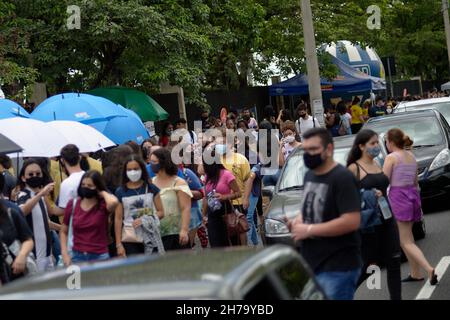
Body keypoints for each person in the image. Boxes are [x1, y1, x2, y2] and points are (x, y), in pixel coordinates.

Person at [288, 128, 362, 300]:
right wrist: (297, 222)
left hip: (338, 266)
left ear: (329, 149)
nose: (308, 154)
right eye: (305, 150)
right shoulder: (309, 175)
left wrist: (309, 230)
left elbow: (351, 220)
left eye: (313, 150)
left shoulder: (342, 178)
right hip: (313, 264)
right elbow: (308, 208)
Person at [347, 129, 402, 300]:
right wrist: (367, 194)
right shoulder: (353, 168)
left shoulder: (377, 163)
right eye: (372, 143)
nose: (377, 146)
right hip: (369, 225)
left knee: (394, 262)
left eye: (378, 142)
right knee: (368, 266)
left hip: (387, 218)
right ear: (361, 146)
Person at [383, 128, 438, 285]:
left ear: (391, 142)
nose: (386, 144)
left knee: (404, 241)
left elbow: (383, 180)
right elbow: (415, 181)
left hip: (398, 197)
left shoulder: (391, 158)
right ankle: (415, 273)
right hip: (413, 196)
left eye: (386, 141)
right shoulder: (411, 156)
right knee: (408, 237)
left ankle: (428, 269)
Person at [60, 171, 119, 266]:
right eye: (83, 184)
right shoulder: (73, 204)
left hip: (100, 256)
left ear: (97, 187)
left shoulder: (103, 205)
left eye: (90, 185)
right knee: (76, 281)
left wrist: (103, 192)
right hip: (76, 256)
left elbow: (114, 202)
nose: (86, 187)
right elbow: (63, 231)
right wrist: (64, 253)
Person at [114, 155, 163, 256]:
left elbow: (161, 212)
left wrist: (144, 220)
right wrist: (118, 244)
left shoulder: (151, 188)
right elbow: (118, 218)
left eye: (136, 169)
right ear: (125, 172)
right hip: (130, 237)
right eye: (129, 169)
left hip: (150, 233)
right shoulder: (120, 192)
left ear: (142, 169)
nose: (133, 172)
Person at [16, 159, 58, 272]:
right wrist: (41, 194)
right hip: (35, 256)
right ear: (23, 178)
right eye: (31, 174)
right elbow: (22, 211)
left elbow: (46, 222)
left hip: (48, 254)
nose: (35, 176)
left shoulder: (39, 195)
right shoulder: (23, 194)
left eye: (38, 174)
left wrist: (63, 228)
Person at [150, 148, 192, 251]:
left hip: (176, 233)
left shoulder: (179, 183)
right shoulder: (151, 183)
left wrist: (184, 230)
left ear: (163, 163)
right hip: (157, 234)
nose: (151, 164)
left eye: (154, 162)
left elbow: (185, 208)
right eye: (150, 161)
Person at [202, 149, 241, 247]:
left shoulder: (226, 174)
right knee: (216, 245)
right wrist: (203, 215)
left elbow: (238, 193)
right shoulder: (207, 177)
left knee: (229, 243)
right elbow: (206, 197)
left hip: (226, 212)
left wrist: (224, 197)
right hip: (212, 214)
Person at [53, 145, 85, 217]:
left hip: (76, 225)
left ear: (62, 160)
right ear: (79, 158)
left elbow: (58, 211)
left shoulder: (67, 183)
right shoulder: (90, 177)